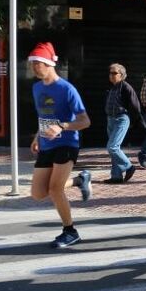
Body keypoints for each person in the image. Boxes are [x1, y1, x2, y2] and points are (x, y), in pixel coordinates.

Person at [28, 42, 93, 248]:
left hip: (66, 143)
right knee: (38, 193)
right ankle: (79, 180)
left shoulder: (67, 89)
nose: (33, 67)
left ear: (49, 64)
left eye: (37, 63)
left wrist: (62, 126)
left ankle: (70, 231)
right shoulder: (36, 88)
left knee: (55, 189)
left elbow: (85, 121)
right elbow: (44, 116)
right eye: (32, 63)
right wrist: (37, 136)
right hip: (46, 144)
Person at [103, 63, 143, 184]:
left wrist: (134, 121)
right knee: (115, 149)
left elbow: (135, 106)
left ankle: (129, 166)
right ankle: (116, 176)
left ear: (122, 75)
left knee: (112, 147)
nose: (111, 75)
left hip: (121, 119)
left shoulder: (125, 87)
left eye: (114, 73)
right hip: (110, 120)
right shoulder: (112, 87)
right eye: (110, 73)